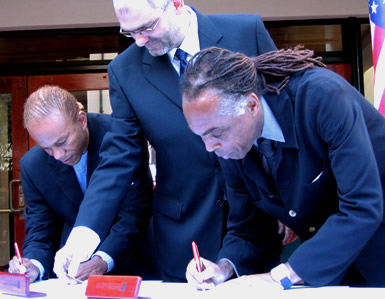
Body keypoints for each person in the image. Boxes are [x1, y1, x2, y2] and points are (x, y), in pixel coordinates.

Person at [53, 0, 284, 282]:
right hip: (184, 233)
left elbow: (282, 118)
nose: (139, 41)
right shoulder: (125, 71)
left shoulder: (246, 31)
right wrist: (82, 238)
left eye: (147, 27)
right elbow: (118, 161)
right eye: (129, 32)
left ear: (175, 3)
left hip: (258, 220)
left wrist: (286, 199)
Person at [182, 46, 385, 288]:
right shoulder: (230, 143)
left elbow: (362, 205)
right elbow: (248, 225)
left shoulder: (322, 97)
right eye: (201, 136)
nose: (210, 147)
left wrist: (282, 275)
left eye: (216, 133)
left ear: (252, 105)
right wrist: (223, 268)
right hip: (328, 272)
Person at [8, 85, 154, 282]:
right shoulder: (32, 166)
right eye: (47, 148)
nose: (58, 155)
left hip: (136, 262)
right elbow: (40, 228)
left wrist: (102, 260)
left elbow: (136, 211)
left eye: (62, 143)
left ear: (82, 120)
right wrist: (34, 264)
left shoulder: (122, 137)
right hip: (72, 275)